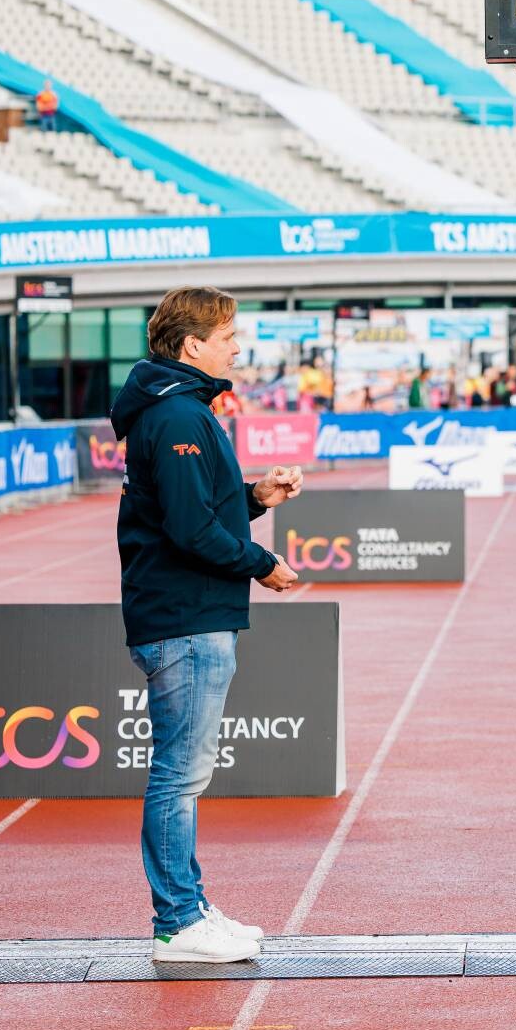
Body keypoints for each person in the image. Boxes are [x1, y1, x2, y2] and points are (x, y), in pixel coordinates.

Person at [110, 285, 304, 964]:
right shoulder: (177, 416)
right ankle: (176, 923)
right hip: (184, 617)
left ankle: (187, 907)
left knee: (183, 774)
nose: (237, 347)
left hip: (186, 613)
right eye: (227, 336)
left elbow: (192, 511)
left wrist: (255, 497)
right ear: (193, 345)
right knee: (179, 777)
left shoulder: (178, 409)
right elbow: (191, 530)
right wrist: (262, 564)